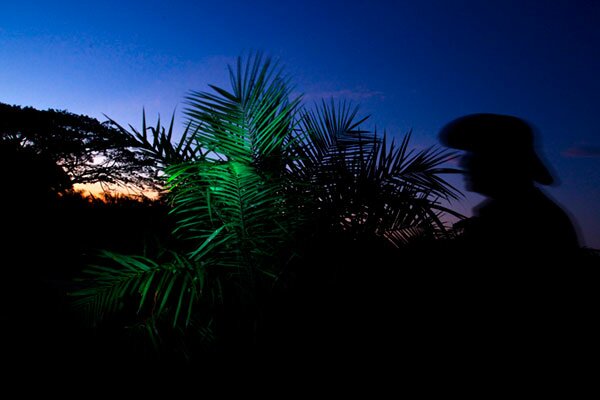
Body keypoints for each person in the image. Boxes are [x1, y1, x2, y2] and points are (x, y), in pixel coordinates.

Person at [438, 113, 580, 260]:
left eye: (475, 153)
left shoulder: (525, 220)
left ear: (502, 160)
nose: (463, 163)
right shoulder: (518, 212)